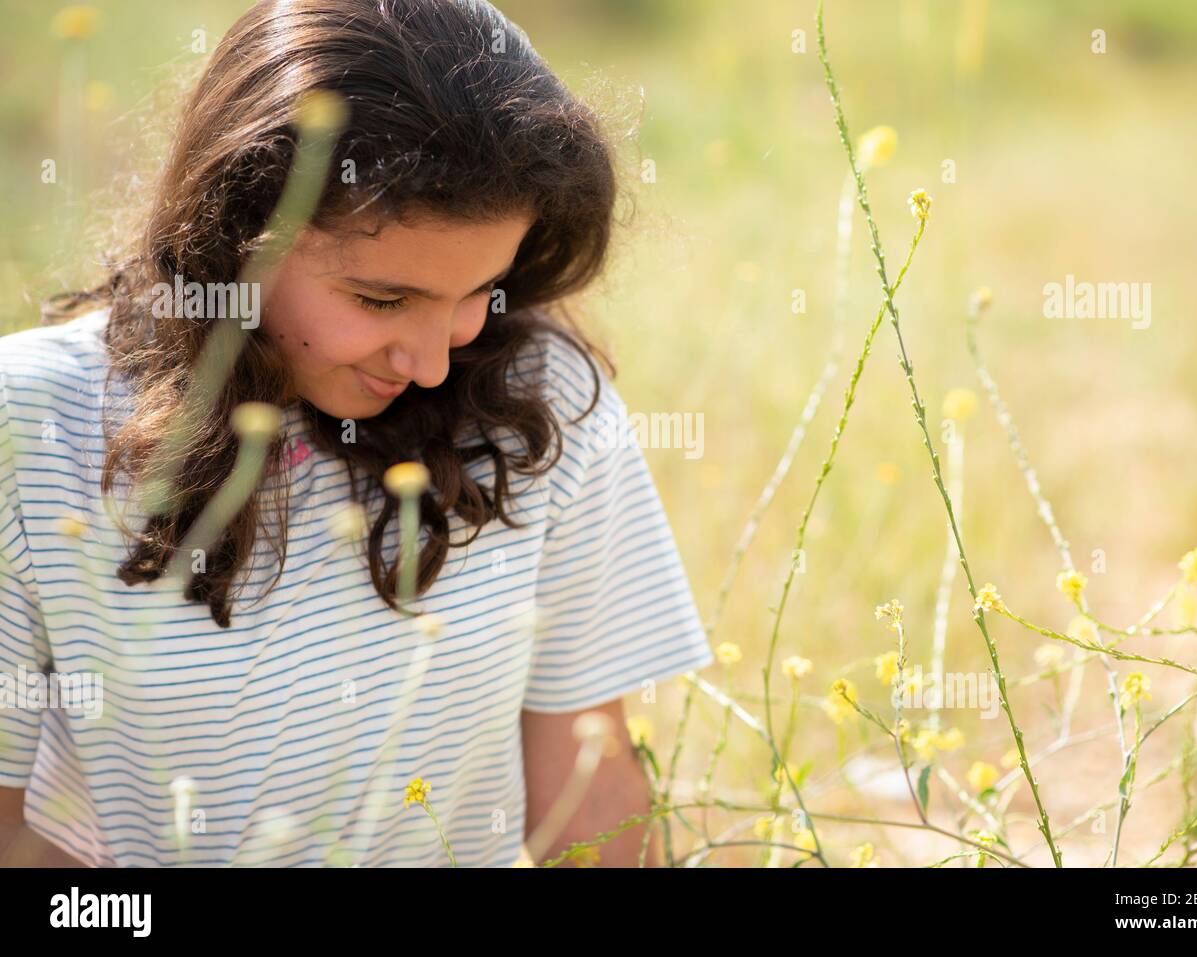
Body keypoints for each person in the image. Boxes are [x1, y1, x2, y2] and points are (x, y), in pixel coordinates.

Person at [0, 0, 713, 867]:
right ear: (237, 235)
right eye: (381, 300)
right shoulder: (29, 424)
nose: (431, 364)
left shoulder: (547, 401)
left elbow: (590, 795)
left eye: (472, 295)